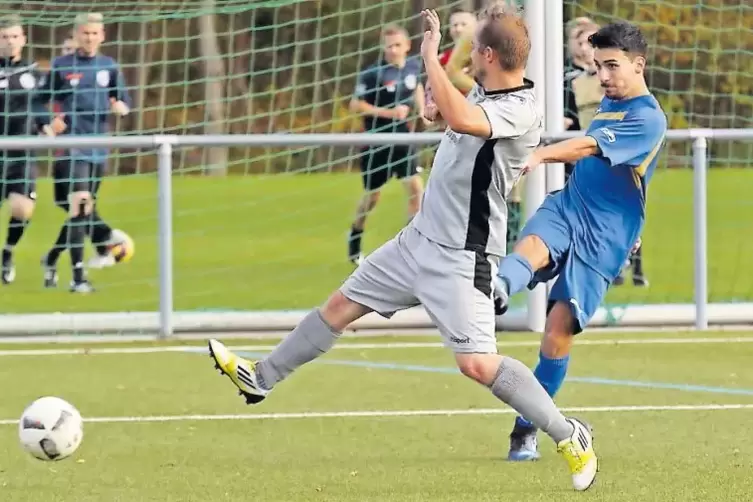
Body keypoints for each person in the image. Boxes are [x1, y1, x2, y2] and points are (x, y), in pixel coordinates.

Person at [208, 4, 598, 491]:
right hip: (417, 241)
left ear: (490, 55)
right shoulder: (489, 88)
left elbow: (463, 115)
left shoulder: (519, 109)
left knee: (476, 363)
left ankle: (568, 434)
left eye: (474, 47)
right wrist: (437, 108)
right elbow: (455, 116)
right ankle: (260, 377)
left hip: (462, 256)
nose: (468, 54)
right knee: (339, 306)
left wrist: (430, 58)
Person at [494, 21, 667, 462]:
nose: (603, 76)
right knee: (530, 249)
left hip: (606, 235)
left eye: (612, 66)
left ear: (638, 65)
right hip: (571, 205)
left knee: (557, 332)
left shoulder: (648, 117)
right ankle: (493, 290)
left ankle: (525, 428)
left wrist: (539, 154)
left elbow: (588, 147)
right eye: (597, 66)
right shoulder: (610, 101)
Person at [41, 13, 131, 293]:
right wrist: (49, 124)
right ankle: (78, 277)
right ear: (77, 35)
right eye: (85, 33)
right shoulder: (62, 65)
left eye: (95, 33)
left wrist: (121, 108)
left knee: (82, 211)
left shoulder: (109, 66)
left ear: (102, 36)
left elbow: (125, 101)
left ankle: (52, 258)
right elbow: (41, 100)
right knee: (80, 203)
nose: (90, 38)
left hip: (97, 148)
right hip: (70, 147)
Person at [346, 24, 425, 266]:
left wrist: (422, 111)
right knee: (372, 197)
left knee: (416, 189)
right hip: (377, 141)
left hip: (402, 138)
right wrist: (389, 113)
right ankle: (354, 240)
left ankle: (412, 247)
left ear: (407, 46)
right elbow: (355, 105)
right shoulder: (373, 74)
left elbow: (417, 88)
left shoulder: (413, 67)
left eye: (397, 45)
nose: (393, 50)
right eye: (389, 46)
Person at [0, 15, 61, 284]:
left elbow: (40, 108)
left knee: (23, 208)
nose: (9, 42)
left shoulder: (34, 73)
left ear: (23, 40)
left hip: (21, 152)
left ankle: (7, 254)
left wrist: (47, 126)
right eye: (4, 37)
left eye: (14, 36)